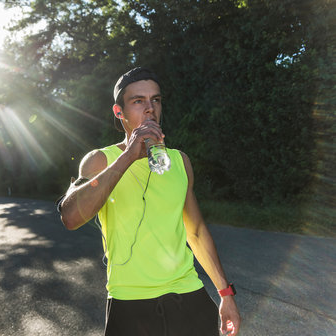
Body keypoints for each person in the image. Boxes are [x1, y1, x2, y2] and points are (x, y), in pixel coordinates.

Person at [57, 67, 240, 335]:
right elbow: (70, 217)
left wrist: (226, 294)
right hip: (130, 303)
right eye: (138, 101)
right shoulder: (100, 160)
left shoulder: (180, 161)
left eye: (155, 100)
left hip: (189, 297)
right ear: (119, 112)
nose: (149, 108)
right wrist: (128, 156)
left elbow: (197, 231)